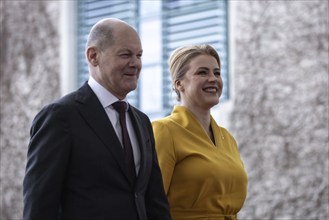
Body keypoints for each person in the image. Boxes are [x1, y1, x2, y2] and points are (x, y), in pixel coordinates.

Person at [23, 18, 170, 220]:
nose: (135, 63)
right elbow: (39, 205)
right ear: (93, 56)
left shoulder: (142, 121)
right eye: (125, 54)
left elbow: (155, 201)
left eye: (139, 55)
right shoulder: (60, 117)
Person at [152, 45, 248, 220]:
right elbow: (151, 203)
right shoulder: (164, 130)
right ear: (178, 83)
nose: (213, 79)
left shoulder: (227, 138)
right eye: (202, 72)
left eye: (217, 73)